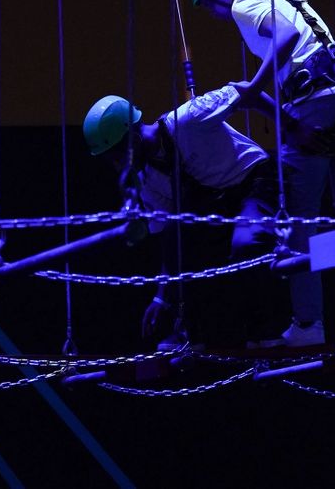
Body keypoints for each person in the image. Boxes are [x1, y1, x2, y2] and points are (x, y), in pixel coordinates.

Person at [184, 0, 335, 348]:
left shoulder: (243, 2)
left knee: (297, 219)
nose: (211, 13)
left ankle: (308, 325)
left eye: (206, 3)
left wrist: (254, 88)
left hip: (315, 99)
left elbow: (286, 37)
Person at [82, 86, 279, 348]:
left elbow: (245, 90)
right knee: (185, 248)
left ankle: (266, 330)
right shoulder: (147, 180)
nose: (118, 166)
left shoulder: (188, 119)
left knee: (247, 243)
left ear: (133, 139)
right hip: (218, 204)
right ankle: (198, 335)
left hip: (254, 180)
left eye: (118, 156)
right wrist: (163, 297)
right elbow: (169, 238)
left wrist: (289, 125)